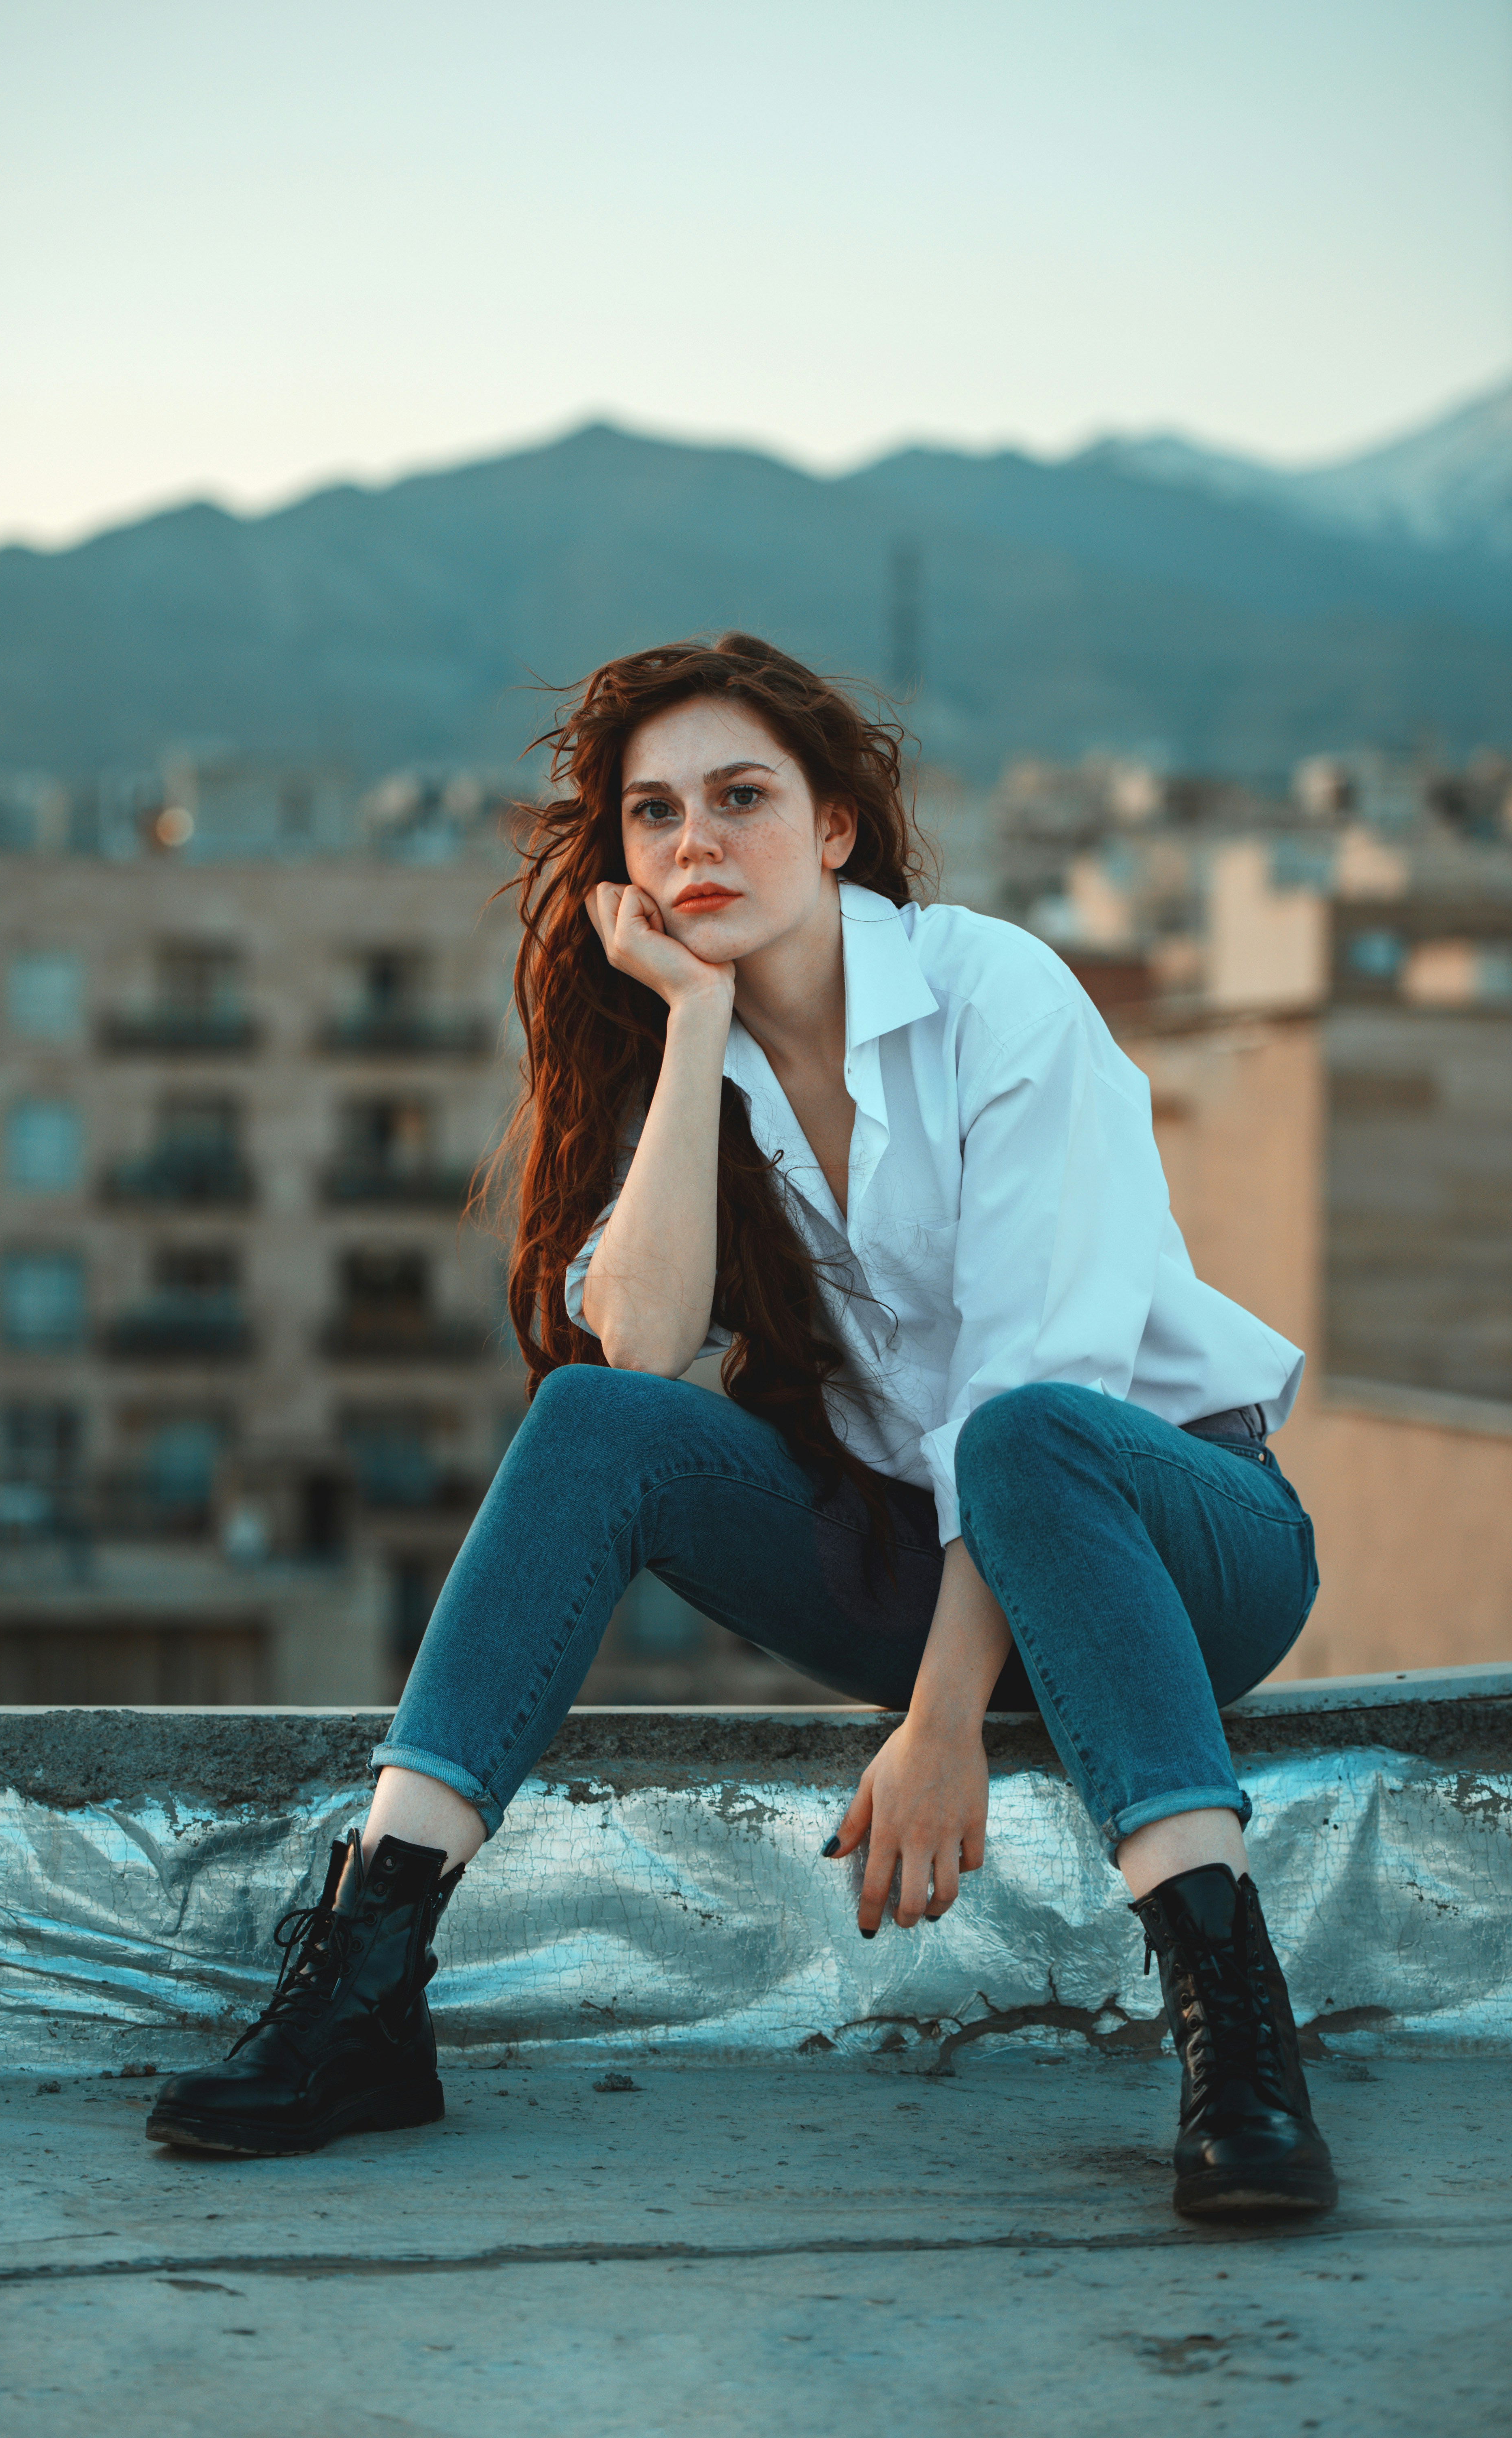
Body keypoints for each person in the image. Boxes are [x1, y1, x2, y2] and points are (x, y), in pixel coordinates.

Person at [146, 634, 1335, 2220]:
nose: (694, 839)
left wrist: (934, 1723)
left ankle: (1234, 2039)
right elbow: (636, 1345)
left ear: (833, 825)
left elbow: (1027, 1389)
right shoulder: (678, 1068)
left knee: (1028, 1436)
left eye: (739, 796)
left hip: (1183, 1553)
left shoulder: (993, 995)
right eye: (653, 815)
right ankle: (361, 1989)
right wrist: (695, 1031)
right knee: (589, 1421)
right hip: (910, 1556)